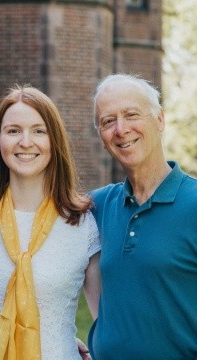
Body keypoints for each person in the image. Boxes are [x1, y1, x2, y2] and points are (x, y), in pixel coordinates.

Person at [0, 85, 101, 360]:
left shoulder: (83, 222)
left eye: (39, 131)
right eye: (13, 130)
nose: (25, 141)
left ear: (54, 141)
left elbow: (105, 319)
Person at [88, 74, 197, 359]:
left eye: (131, 115)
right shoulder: (96, 206)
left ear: (159, 119)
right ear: (101, 135)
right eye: (108, 121)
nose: (121, 129)